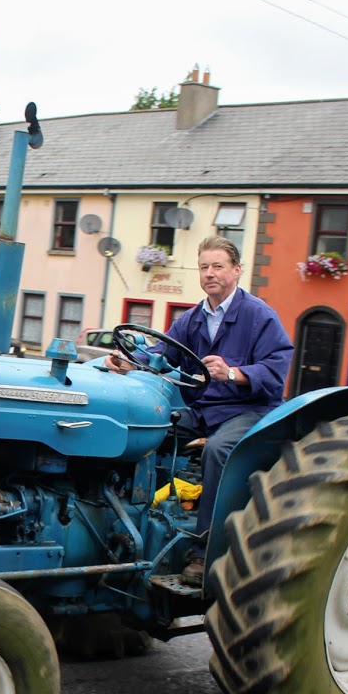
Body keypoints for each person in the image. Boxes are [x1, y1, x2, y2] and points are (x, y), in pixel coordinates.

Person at [105, 236, 293, 585]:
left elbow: (277, 370)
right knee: (144, 430)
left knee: (221, 451)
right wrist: (130, 362)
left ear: (236, 271)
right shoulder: (192, 319)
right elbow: (162, 354)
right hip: (204, 409)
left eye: (218, 266)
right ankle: (133, 524)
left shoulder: (259, 316)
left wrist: (234, 373)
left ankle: (205, 552)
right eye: (204, 267)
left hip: (249, 409)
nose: (210, 274)